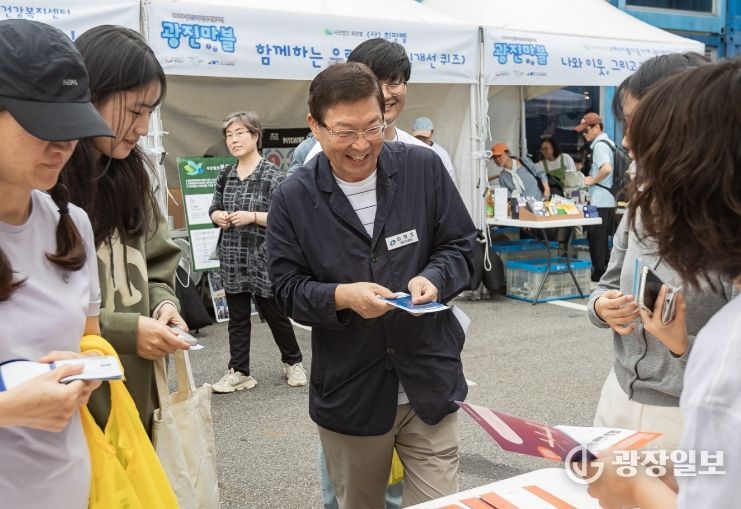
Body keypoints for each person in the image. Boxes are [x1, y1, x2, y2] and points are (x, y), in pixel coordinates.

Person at [267, 62, 477, 509]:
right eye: (345, 132)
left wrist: (434, 277)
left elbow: (462, 246)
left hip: (429, 382)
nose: (361, 145)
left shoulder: (422, 168)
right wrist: (342, 297)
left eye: (373, 128)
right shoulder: (294, 197)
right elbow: (286, 288)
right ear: (315, 126)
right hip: (352, 390)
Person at [585, 58, 741, 509]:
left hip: (680, 410)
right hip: (622, 394)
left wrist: (634, 484)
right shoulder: (642, 203)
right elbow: (606, 282)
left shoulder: (726, 348)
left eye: (644, 122)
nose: (629, 140)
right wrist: (602, 307)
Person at [0, 19, 115, 508]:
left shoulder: (73, 224)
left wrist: (86, 369)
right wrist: (7, 409)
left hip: (67, 483)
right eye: (42, 124)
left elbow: (88, 340)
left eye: (70, 127)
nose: (63, 145)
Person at [61, 25, 191, 436]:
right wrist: (125, 331)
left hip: (138, 393)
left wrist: (164, 305)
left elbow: (157, 264)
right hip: (76, 402)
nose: (144, 126)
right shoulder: (48, 183)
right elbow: (37, 309)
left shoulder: (132, 176)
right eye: (135, 112)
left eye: (150, 112)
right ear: (89, 95)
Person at [209, 111, 307, 392]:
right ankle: (239, 370)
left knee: (274, 313)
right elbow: (214, 207)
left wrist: (251, 216)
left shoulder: (273, 175)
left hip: (263, 257)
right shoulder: (225, 174)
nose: (234, 139)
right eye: (229, 135)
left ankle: (293, 361)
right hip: (232, 255)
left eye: (240, 133)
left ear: (255, 136)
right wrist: (218, 216)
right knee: (237, 317)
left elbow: (284, 218)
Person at [302, 38, 432, 166]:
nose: (385, 95)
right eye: (374, 84)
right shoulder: (322, 157)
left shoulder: (425, 158)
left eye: (394, 83)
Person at [574, 112, 615, 282]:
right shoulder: (609, 143)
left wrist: (592, 180)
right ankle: (605, 275)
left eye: (586, 130)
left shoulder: (599, 146)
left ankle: (600, 275)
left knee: (596, 240)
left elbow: (606, 168)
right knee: (603, 241)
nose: (584, 134)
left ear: (597, 127)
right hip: (608, 199)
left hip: (601, 200)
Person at [411, 116, 455, 181]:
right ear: (412, 132)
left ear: (432, 132)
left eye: (425, 136)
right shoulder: (408, 151)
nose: (421, 139)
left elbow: (449, 178)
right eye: (419, 136)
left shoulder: (441, 153)